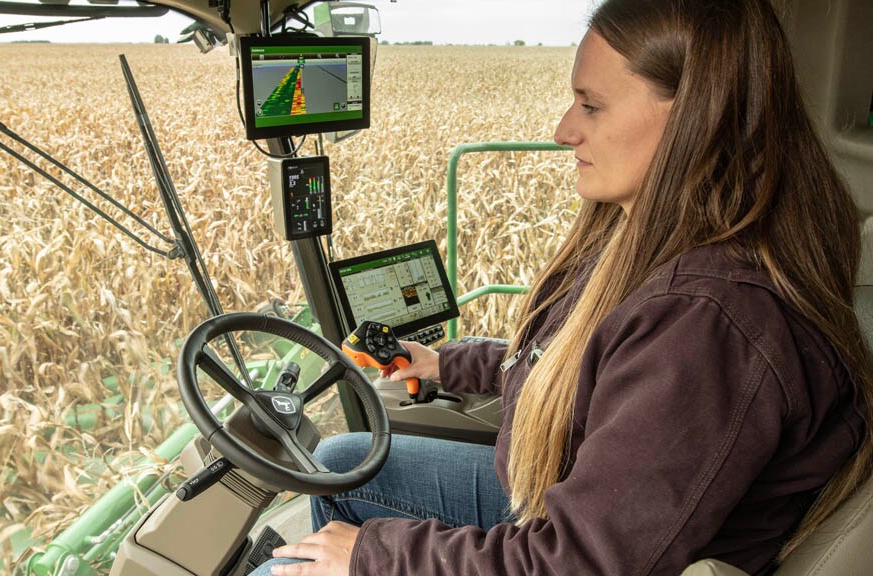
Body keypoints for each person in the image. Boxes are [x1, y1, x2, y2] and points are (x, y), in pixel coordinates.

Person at [251, 0, 872, 574]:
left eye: (592, 105)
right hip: (577, 506)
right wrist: (447, 363)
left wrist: (375, 556)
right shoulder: (649, 240)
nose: (563, 130)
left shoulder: (705, 325)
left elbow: (579, 563)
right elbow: (581, 361)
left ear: (697, 116)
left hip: (571, 547)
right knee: (339, 465)